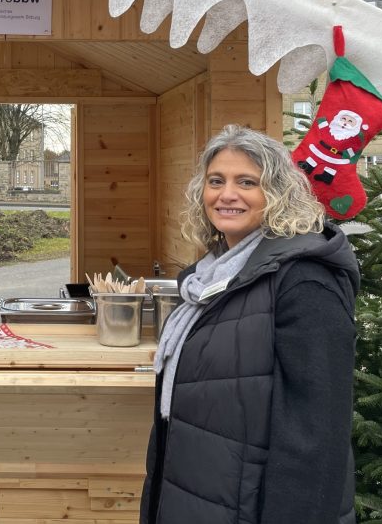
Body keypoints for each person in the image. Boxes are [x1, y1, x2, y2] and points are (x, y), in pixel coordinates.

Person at [141, 125, 359, 524]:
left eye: (247, 182)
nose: (227, 195)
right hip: (195, 496)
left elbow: (317, 434)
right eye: (216, 181)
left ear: (278, 194)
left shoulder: (305, 280)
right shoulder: (206, 280)